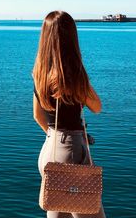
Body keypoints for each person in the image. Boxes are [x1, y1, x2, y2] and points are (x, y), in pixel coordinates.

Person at [33, 11, 106, 218]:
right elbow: (97, 106)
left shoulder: (39, 73)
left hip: (49, 150)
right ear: (71, 38)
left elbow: (37, 116)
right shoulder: (74, 75)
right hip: (71, 153)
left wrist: (57, 138)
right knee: (92, 212)